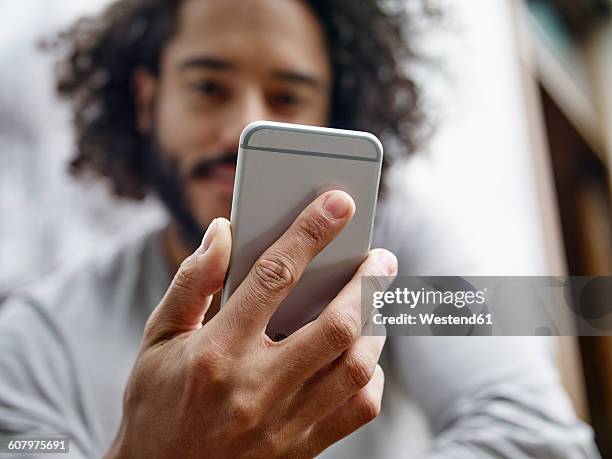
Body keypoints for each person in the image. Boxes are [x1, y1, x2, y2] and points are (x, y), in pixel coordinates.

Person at [0, 0, 600, 457]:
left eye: (287, 95)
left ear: (331, 115)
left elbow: (540, 435)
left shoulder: (396, 251)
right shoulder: (35, 340)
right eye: (208, 87)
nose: (242, 127)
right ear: (145, 99)